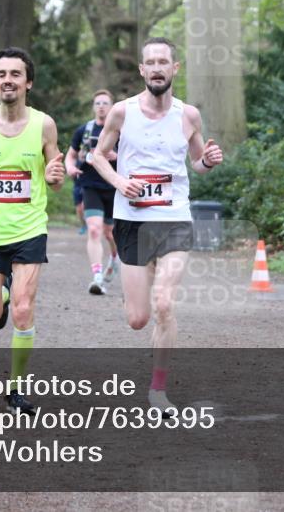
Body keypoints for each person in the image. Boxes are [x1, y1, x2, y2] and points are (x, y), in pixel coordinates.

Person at [90, 37, 224, 415]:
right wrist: (119, 183)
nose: (158, 68)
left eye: (164, 61)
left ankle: (158, 390)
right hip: (132, 220)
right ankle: (133, 289)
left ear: (174, 68)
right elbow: (97, 156)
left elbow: (197, 162)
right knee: (138, 319)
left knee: (164, 304)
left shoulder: (188, 115)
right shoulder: (121, 112)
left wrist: (209, 161)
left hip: (174, 219)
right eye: (151, 62)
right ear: (142, 71)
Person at [0, 47, 65, 415]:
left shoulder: (43, 125)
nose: (8, 80)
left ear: (28, 82)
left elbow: (55, 171)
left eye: (15, 74)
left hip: (29, 228)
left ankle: (16, 389)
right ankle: (2, 292)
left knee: (23, 309)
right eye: (2, 74)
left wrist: (54, 176)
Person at [66, 89, 121, 295]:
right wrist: (70, 167)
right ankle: (97, 277)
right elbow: (70, 156)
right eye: (98, 103)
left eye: (105, 103)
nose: (101, 106)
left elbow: (134, 159)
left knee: (111, 233)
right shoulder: (84, 131)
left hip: (114, 188)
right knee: (95, 230)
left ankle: (115, 257)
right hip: (90, 186)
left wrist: (117, 156)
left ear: (112, 106)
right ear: (93, 107)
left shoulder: (121, 131)